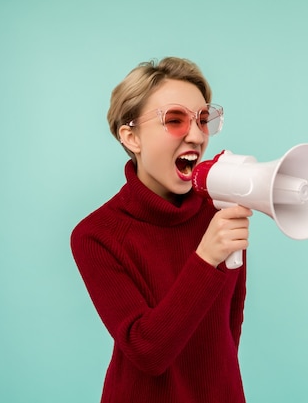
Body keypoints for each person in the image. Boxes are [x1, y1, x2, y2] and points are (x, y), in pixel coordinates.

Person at [70, 57, 252, 403]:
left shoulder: (219, 208)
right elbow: (146, 351)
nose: (197, 136)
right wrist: (205, 258)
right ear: (131, 136)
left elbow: (230, 324)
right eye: (175, 120)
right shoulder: (95, 236)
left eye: (202, 120)